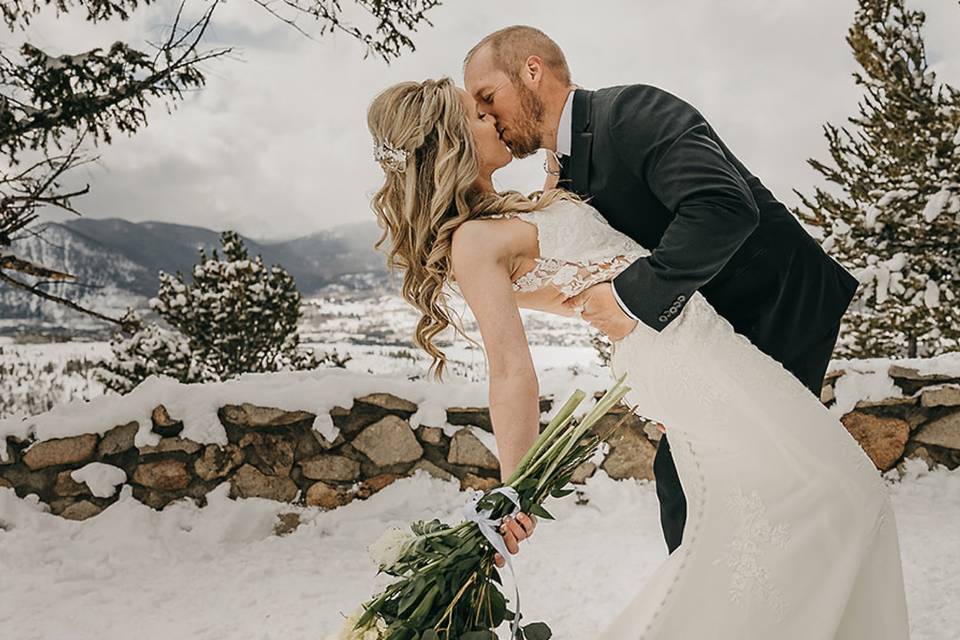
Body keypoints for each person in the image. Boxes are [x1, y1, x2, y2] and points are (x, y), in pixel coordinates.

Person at [366, 74, 910, 637]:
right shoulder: (474, 243)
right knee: (842, 496)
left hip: (699, 345)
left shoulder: (517, 207)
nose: (492, 117)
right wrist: (515, 485)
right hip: (684, 361)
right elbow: (509, 370)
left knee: (788, 510)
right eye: (477, 116)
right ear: (449, 142)